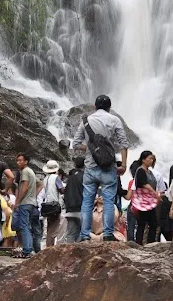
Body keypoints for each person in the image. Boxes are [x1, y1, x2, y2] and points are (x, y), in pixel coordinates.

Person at [72, 94, 129, 242]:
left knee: (87, 202)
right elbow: (123, 143)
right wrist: (123, 165)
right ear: (109, 107)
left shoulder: (87, 120)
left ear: (95, 106)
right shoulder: (114, 120)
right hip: (108, 166)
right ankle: (108, 234)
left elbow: (76, 143)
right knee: (109, 201)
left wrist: (91, 149)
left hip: (90, 167)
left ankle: (85, 235)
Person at [13, 153, 40, 258]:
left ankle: (27, 250)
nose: (18, 162)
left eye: (20, 160)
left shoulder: (24, 171)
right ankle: (29, 249)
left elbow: (24, 187)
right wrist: (34, 195)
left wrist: (18, 201)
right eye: (17, 160)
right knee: (28, 226)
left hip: (25, 203)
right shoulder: (31, 171)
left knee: (24, 226)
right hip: (32, 203)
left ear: (26, 161)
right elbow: (40, 184)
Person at [132, 151, 161, 245]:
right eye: (150, 158)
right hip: (142, 201)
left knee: (153, 223)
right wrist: (155, 193)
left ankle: (150, 242)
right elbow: (145, 184)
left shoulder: (150, 172)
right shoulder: (140, 170)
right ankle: (139, 244)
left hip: (150, 201)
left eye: (152, 159)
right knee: (142, 224)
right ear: (143, 159)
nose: (151, 160)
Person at [41, 160, 64, 247]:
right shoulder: (56, 177)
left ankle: (48, 245)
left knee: (49, 226)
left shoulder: (45, 179)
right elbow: (61, 190)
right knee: (53, 228)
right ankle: (50, 247)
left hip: (46, 205)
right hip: (54, 205)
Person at [63, 157, 85, 244]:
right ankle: (80, 254)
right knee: (83, 232)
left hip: (69, 209)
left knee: (71, 234)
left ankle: (69, 254)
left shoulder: (69, 178)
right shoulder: (84, 176)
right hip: (81, 208)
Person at [1, 184, 17, 248]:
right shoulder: (13, 197)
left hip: (3, 218)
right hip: (9, 219)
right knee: (9, 239)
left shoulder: (4, 197)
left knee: (6, 238)